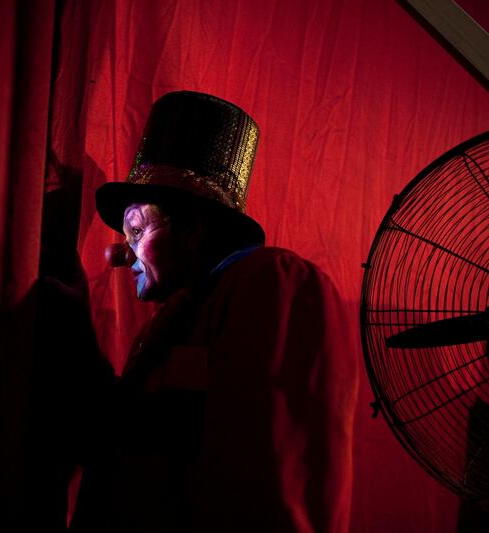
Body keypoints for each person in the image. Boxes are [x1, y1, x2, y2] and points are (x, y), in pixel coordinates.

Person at [67, 91, 359, 532]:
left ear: (195, 228)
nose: (118, 256)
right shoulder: (177, 319)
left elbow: (273, 488)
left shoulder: (274, 283)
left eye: (137, 230)